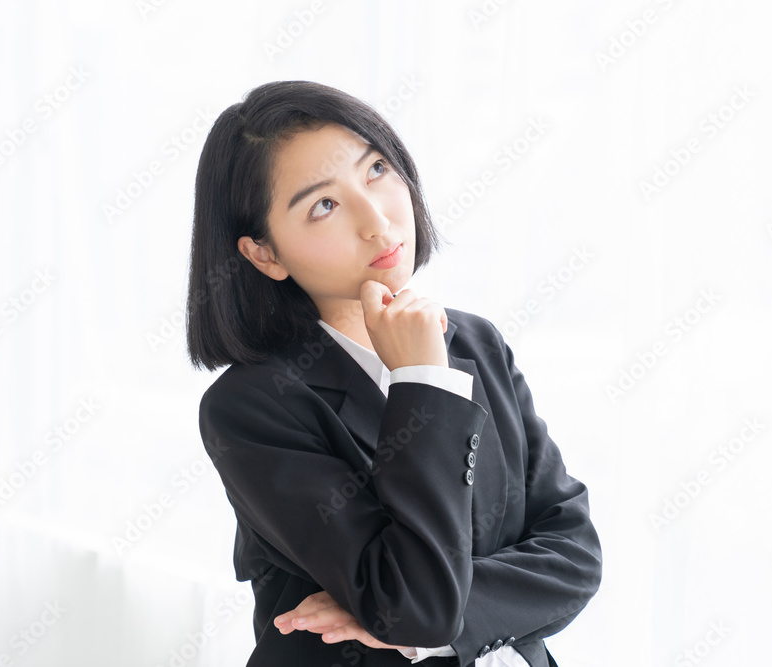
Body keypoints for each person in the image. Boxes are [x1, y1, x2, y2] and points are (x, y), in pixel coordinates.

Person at [186, 80, 602, 667]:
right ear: (265, 254)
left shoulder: (476, 343)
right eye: (323, 205)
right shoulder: (251, 407)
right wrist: (423, 381)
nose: (377, 220)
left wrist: (419, 619)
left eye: (377, 169)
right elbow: (414, 607)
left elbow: (575, 556)